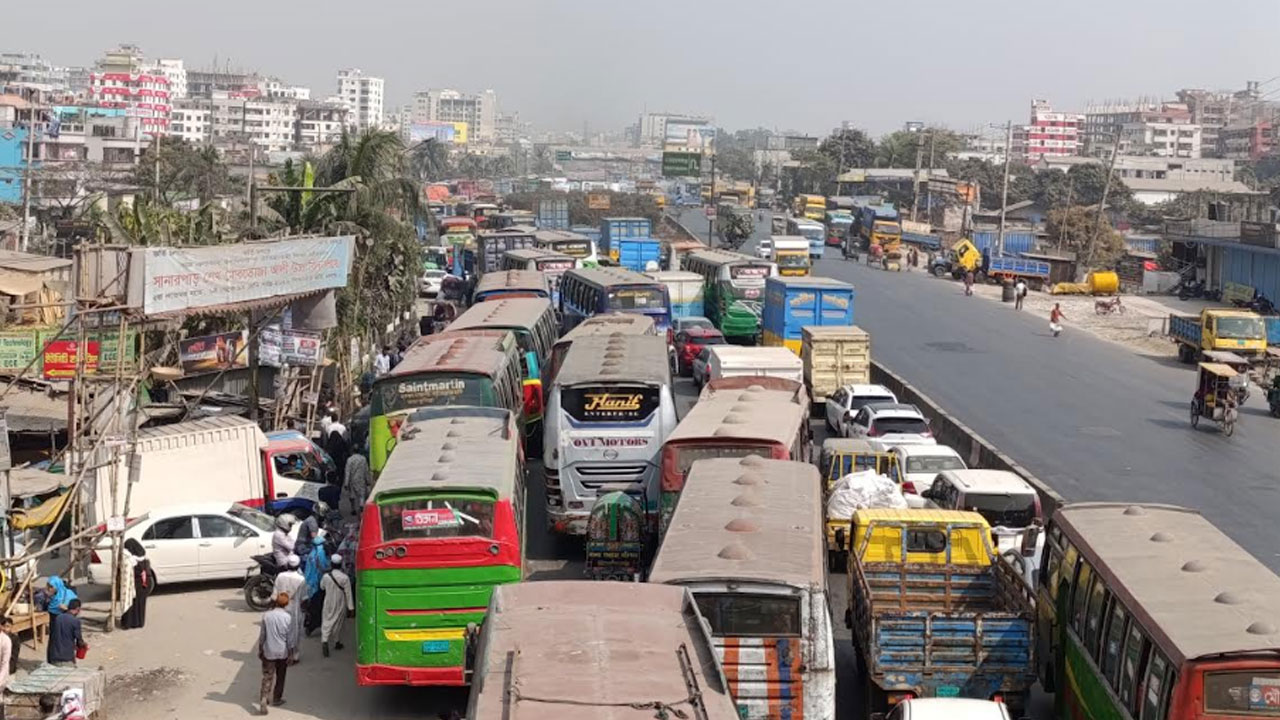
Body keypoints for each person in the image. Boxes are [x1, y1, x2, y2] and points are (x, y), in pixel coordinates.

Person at [258, 592, 294, 714]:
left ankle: (264, 698)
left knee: (268, 676)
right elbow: (289, 639)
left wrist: (260, 649)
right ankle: (277, 698)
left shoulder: (267, 615)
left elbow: (262, 635)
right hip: (282, 652)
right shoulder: (288, 617)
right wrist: (291, 653)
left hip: (269, 651)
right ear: (286, 604)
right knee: (281, 676)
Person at [272, 556, 307, 663]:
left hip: (281, 607)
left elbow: (274, 595)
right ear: (298, 566)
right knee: (294, 632)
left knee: (282, 631)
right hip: (294, 609)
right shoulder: (301, 579)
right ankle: (293, 655)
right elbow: (304, 598)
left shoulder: (280, 576)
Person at [319, 554, 354, 657]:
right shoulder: (345, 578)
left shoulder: (326, 576)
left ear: (331, 564)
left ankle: (324, 640)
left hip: (328, 601)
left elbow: (322, 587)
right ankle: (336, 641)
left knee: (326, 620)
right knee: (338, 622)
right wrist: (351, 608)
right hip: (340, 602)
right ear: (340, 564)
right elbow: (348, 593)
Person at [121, 538, 152, 629]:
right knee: (140, 604)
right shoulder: (143, 558)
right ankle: (139, 622)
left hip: (137, 584)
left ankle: (130, 623)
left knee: (132, 603)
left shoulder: (131, 560)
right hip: (145, 584)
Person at [302, 537, 330, 637]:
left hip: (310, 586)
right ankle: (313, 627)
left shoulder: (311, 554)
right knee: (318, 608)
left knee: (311, 607)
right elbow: (323, 569)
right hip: (318, 586)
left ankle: (308, 625)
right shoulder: (320, 554)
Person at [47, 599, 85, 667]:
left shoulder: (58, 618)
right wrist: (84, 646)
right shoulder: (75, 621)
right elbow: (79, 642)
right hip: (66, 659)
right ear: (78, 609)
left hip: (53, 657)